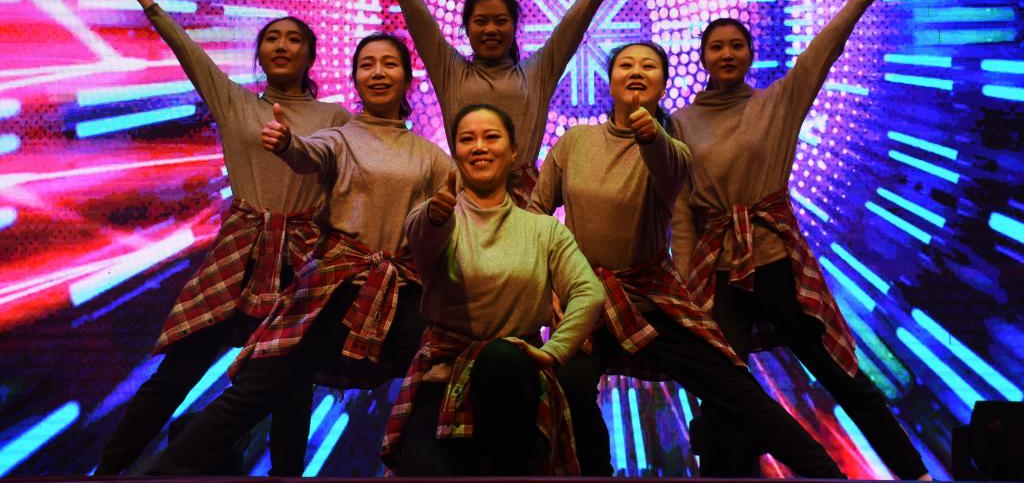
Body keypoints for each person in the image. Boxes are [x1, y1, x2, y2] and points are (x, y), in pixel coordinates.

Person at [674, 0, 934, 479]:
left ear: (751, 54)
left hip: (774, 256)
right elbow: (681, 212)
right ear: (702, 58)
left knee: (838, 373)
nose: (727, 54)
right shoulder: (679, 122)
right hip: (718, 264)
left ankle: (915, 474)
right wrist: (683, 282)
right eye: (716, 47)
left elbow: (824, 49)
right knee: (721, 386)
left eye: (736, 45)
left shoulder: (777, 102)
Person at [528, 41, 844, 477]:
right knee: (567, 388)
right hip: (590, 298)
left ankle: (828, 475)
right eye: (626, 64)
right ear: (610, 79)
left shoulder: (674, 149)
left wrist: (649, 133)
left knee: (734, 389)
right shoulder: (575, 142)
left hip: (652, 294)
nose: (636, 71)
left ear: (662, 84)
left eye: (648, 66)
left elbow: (667, 167)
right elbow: (535, 214)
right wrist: (549, 282)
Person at [147, 33, 452, 474]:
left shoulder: (431, 158)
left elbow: (455, 213)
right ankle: (159, 475)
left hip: (395, 292)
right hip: (333, 285)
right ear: (355, 78)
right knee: (256, 391)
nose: (378, 72)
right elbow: (310, 153)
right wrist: (289, 144)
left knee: (439, 371)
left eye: (389, 64)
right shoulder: (340, 138)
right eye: (367, 64)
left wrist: (444, 217)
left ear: (407, 78)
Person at [94, 0, 349, 475]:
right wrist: (147, 2)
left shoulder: (337, 118)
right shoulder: (235, 102)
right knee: (178, 372)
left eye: (293, 39)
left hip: (300, 259)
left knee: (291, 386)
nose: (281, 45)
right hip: (241, 251)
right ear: (260, 54)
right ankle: (108, 472)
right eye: (272, 38)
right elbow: (188, 54)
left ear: (311, 56)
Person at [333, 0, 666, 204]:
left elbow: (576, 20)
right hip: (463, 202)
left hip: (525, 204)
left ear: (514, 27)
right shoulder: (451, 72)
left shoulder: (538, 72)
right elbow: (417, 13)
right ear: (466, 29)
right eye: (481, 21)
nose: (490, 29)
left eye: (500, 21)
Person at [381, 104, 605, 475]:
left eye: (491, 137)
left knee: (501, 357)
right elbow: (422, 235)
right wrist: (436, 215)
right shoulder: (438, 215)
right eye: (467, 139)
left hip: (515, 383)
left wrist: (553, 352)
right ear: (455, 152)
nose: (479, 147)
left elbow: (588, 292)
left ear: (513, 151)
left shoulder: (544, 230)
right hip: (445, 378)